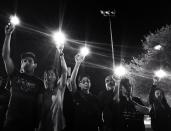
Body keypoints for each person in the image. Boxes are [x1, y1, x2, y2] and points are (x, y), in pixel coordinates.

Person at [2, 23, 44, 131]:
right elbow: (6, 57)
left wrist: (38, 124)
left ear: (35, 65)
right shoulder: (14, 74)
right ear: (21, 65)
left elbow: (39, 105)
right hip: (11, 123)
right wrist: (8, 35)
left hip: (28, 125)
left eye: (30, 61)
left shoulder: (39, 82)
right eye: (24, 61)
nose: (27, 62)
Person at [68, 53, 102, 131]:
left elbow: (98, 116)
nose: (86, 83)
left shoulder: (95, 98)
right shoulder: (77, 94)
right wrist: (77, 64)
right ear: (79, 84)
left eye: (88, 81)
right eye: (83, 81)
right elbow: (72, 81)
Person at [38, 45, 67, 131]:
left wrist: (61, 53)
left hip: (58, 127)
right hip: (43, 127)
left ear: (56, 77)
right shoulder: (41, 91)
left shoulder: (60, 89)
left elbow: (64, 71)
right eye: (47, 74)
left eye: (52, 74)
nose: (49, 76)